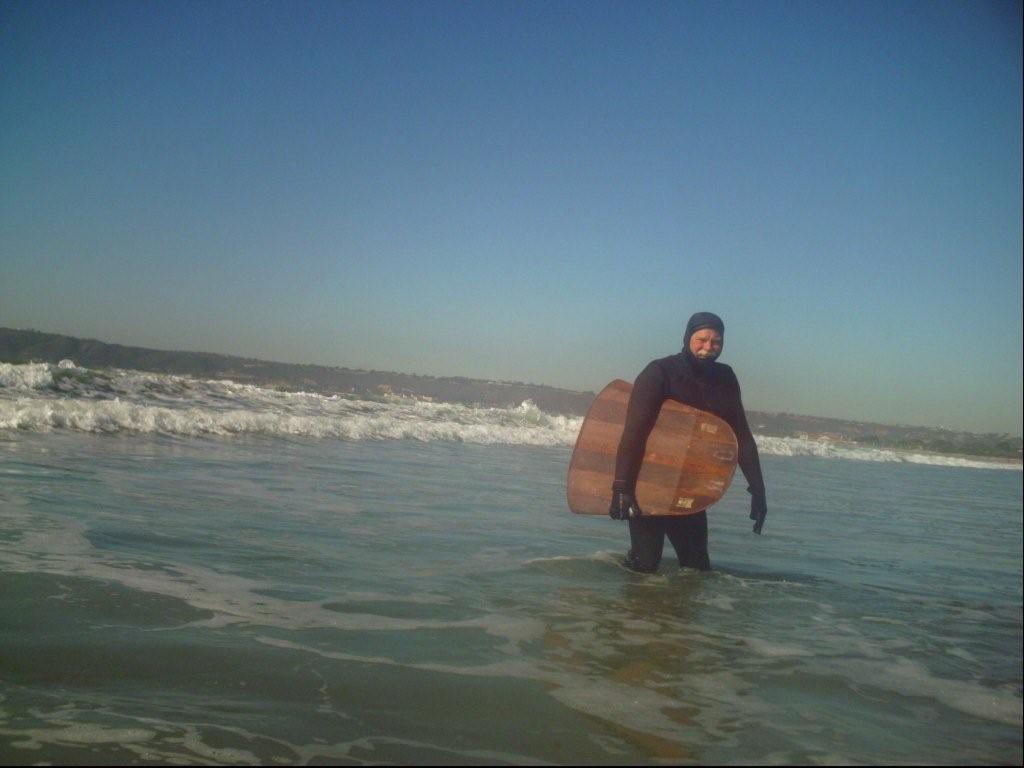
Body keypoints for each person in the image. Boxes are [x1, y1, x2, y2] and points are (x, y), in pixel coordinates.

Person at [608, 312, 767, 573]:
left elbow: (741, 436)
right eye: (701, 340)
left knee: (697, 569)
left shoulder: (725, 378)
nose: (708, 347)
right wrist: (621, 487)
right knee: (645, 565)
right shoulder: (659, 372)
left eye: (716, 342)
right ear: (688, 337)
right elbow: (634, 432)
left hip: (689, 488)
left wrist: (758, 490)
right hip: (649, 482)